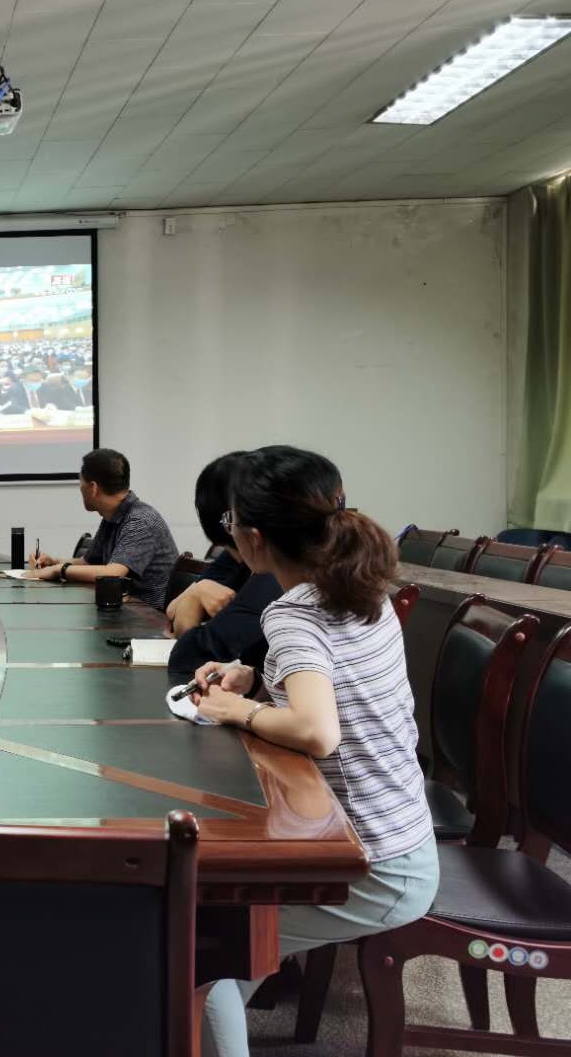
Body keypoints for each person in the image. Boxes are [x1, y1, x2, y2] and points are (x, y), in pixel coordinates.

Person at [192, 446, 437, 1057]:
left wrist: (238, 710)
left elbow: (318, 730)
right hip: (400, 837)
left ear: (251, 538)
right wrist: (256, 679)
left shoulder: (292, 613)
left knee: (200, 950)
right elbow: (338, 684)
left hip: (371, 865)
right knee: (225, 949)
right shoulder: (362, 585)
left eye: (229, 523)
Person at [165, 453, 280, 676]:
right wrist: (197, 593)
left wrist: (195, 598)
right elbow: (174, 613)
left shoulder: (272, 573)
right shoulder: (239, 559)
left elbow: (190, 657)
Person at [25, 448, 179, 609]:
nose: (80, 487)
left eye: (80, 482)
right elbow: (87, 562)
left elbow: (113, 573)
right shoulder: (112, 517)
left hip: (148, 618)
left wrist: (59, 570)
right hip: (121, 609)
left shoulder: (141, 519)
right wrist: (53, 562)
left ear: (93, 488)